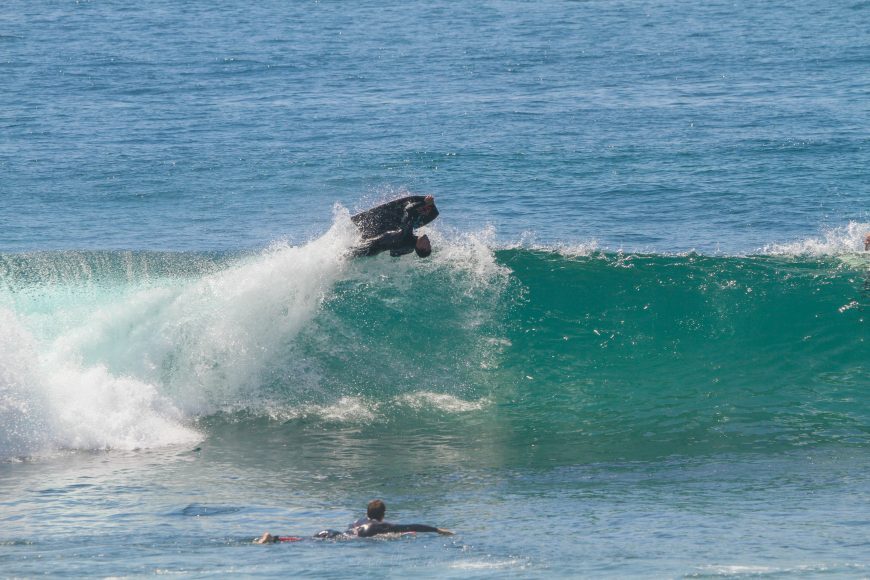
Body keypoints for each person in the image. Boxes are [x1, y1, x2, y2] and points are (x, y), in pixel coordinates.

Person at [255, 499, 453, 543]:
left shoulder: (358, 520)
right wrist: (436, 529)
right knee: (307, 542)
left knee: (306, 540)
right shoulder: (381, 525)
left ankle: (275, 538)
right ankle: (273, 539)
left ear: (367, 512)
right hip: (341, 540)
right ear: (382, 514)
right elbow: (411, 526)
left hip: (332, 532)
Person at [351, 195, 439, 258]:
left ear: (420, 247)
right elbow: (394, 254)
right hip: (373, 251)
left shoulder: (407, 236)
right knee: (350, 256)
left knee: (347, 254)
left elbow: (408, 209)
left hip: (368, 245)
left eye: (427, 245)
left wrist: (424, 202)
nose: (429, 242)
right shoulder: (409, 249)